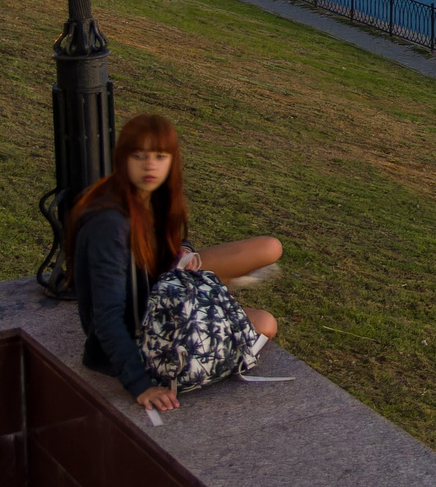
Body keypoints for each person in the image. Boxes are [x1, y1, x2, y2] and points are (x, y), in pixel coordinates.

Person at [67, 112, 284, 414]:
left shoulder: (154, 197)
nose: (150, 165)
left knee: (271, 247)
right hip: (148, 331)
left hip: (164, 285)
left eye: (160, 156)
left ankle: (212, 292)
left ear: (172, 160)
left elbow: (165, 244)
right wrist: (140, 385)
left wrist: (184, 252)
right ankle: (215, 295)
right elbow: (107, 318)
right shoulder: (110, 224)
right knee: (265, 323)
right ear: (122, 159)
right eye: (139, 155)